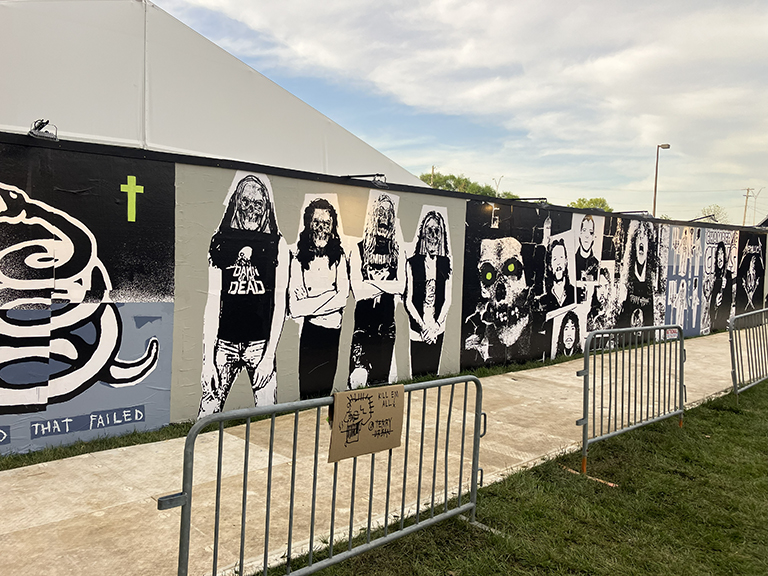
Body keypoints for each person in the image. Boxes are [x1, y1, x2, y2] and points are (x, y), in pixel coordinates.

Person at [199, 174, 288, 417]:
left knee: (267, 418)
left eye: (258, 204)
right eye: (246, 202)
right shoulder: (220, 242)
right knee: (206, 415)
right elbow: (212, 302)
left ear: (266, 207)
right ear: (237, 203)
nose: (251, 209)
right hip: (224, 344)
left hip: (260, 346)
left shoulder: (277, 244)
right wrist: (208, 362)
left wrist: (269, 356)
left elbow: (280, 303)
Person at [289, 198, 350, 399]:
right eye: (317, 222)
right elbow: (295, 308)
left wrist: (311, 301)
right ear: (308, 224)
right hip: (311, 333)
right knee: (306, 393)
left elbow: (343, 298)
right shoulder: (298, 259)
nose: (321, 228)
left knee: (326, 392)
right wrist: (330, 295)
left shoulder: (339, 257)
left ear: (332, 227)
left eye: (326, 223)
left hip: (333, 333)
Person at [348, 193, 405, 388]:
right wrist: (387, 285)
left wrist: (370, 283)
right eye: (380, 212)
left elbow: (401, 286)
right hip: (362, 327)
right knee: (356, 382)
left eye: (389, 213)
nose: (384, 218)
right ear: (372, 216)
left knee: (380, 382)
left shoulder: (397, 251)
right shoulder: (359, 249)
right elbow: (358, 290)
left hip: (386, 328)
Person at [404, 211, 452, 377]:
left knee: (433, 375)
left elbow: (448, 300)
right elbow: (408, 301)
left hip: (437, 330)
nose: (433, 235)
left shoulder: (446, 263)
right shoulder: (412, 263)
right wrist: (424, 327)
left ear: (441, 235)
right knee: (418, 376)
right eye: (429, 230)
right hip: (418, 331)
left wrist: (436, 326)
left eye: (437, 231)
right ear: (423, 234)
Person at [619, 221, 654, 328]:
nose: (641, 239)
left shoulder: (652, 276)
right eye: (638, 235)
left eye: (644, 235)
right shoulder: (627, 274)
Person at [575, 215, 599, 302]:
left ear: (593, 237)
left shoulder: (597, 265)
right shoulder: (572, 262)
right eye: (584, 230)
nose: (587, 236)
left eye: (591, 232)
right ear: (580, 234)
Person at [708, 241, 732, 331]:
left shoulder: (727, 274)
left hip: (722, 318)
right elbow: (711, 301)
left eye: (722, 253)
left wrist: (724, 288)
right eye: (718, 254)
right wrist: (715, 302)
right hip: (714, 318)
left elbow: (729, 300)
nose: (720, 258)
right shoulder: (715, 275)